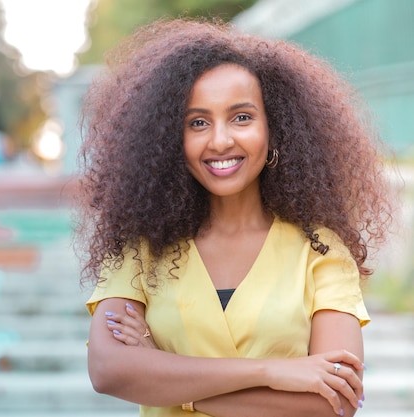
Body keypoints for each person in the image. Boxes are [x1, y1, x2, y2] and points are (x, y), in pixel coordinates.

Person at [73, 17, 395, 417]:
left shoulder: (321, 249)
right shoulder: (141, 248)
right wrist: (274, 372)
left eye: (242, 117)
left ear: (275, 128)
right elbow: (108, 370)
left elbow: (334, 402)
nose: (221, 140)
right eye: (198, 122)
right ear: (170, 139)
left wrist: (170, 382)